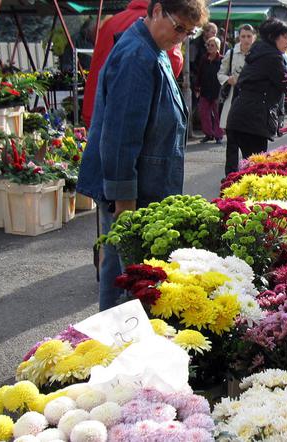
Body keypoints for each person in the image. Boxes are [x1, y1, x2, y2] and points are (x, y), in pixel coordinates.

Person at [76, 0, 206, 311]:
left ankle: (114, 332)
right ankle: (121, 335)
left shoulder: (152, 47)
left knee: (118, 274)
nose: (181, 37)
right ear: (157, 10)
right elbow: (121, 136)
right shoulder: (137, 57)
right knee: (132, 281)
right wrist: (124, 203)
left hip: (144, 184)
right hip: (135, 192)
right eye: (178, 28)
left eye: (189, 33)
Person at [82, 0, 184, 128]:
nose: (182, 35)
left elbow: (97, 66)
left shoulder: (111, 23)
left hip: (99, 108)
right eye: (181, 29)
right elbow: (172, 69)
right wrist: (178, 47)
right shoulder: (158, 23)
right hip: (135, 114)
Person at [225, 18, 287, 165]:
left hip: (238, 116)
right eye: (285, 37)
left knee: (237, 168)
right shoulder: (272, 57)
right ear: (272, 36)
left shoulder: (258, 52)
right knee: (255, 168)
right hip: (253, 121)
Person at [218, 23, 256, 176]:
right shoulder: (232, 53)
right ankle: (231, 175)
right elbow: (220, 74)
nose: (246, 40)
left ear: (254, 37)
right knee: (232, 144)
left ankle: (249, 174)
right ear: (239, 37)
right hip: (233, 101)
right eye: (243, 36)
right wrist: (228, 79)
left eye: (249, 36)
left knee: (249, 144)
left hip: (251, 103)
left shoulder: (258, 54)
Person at [195, 36, 224, 143]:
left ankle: (218, 135)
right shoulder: (204, 59)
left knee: (217, 114)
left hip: (217, 91)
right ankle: (208, 134)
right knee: (204, 113)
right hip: (205, 90)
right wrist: (197, 87)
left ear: (217, 47)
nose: (210, 47)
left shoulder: (222, 60)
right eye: (208, 45)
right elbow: (200, 73)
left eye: (212, 45)